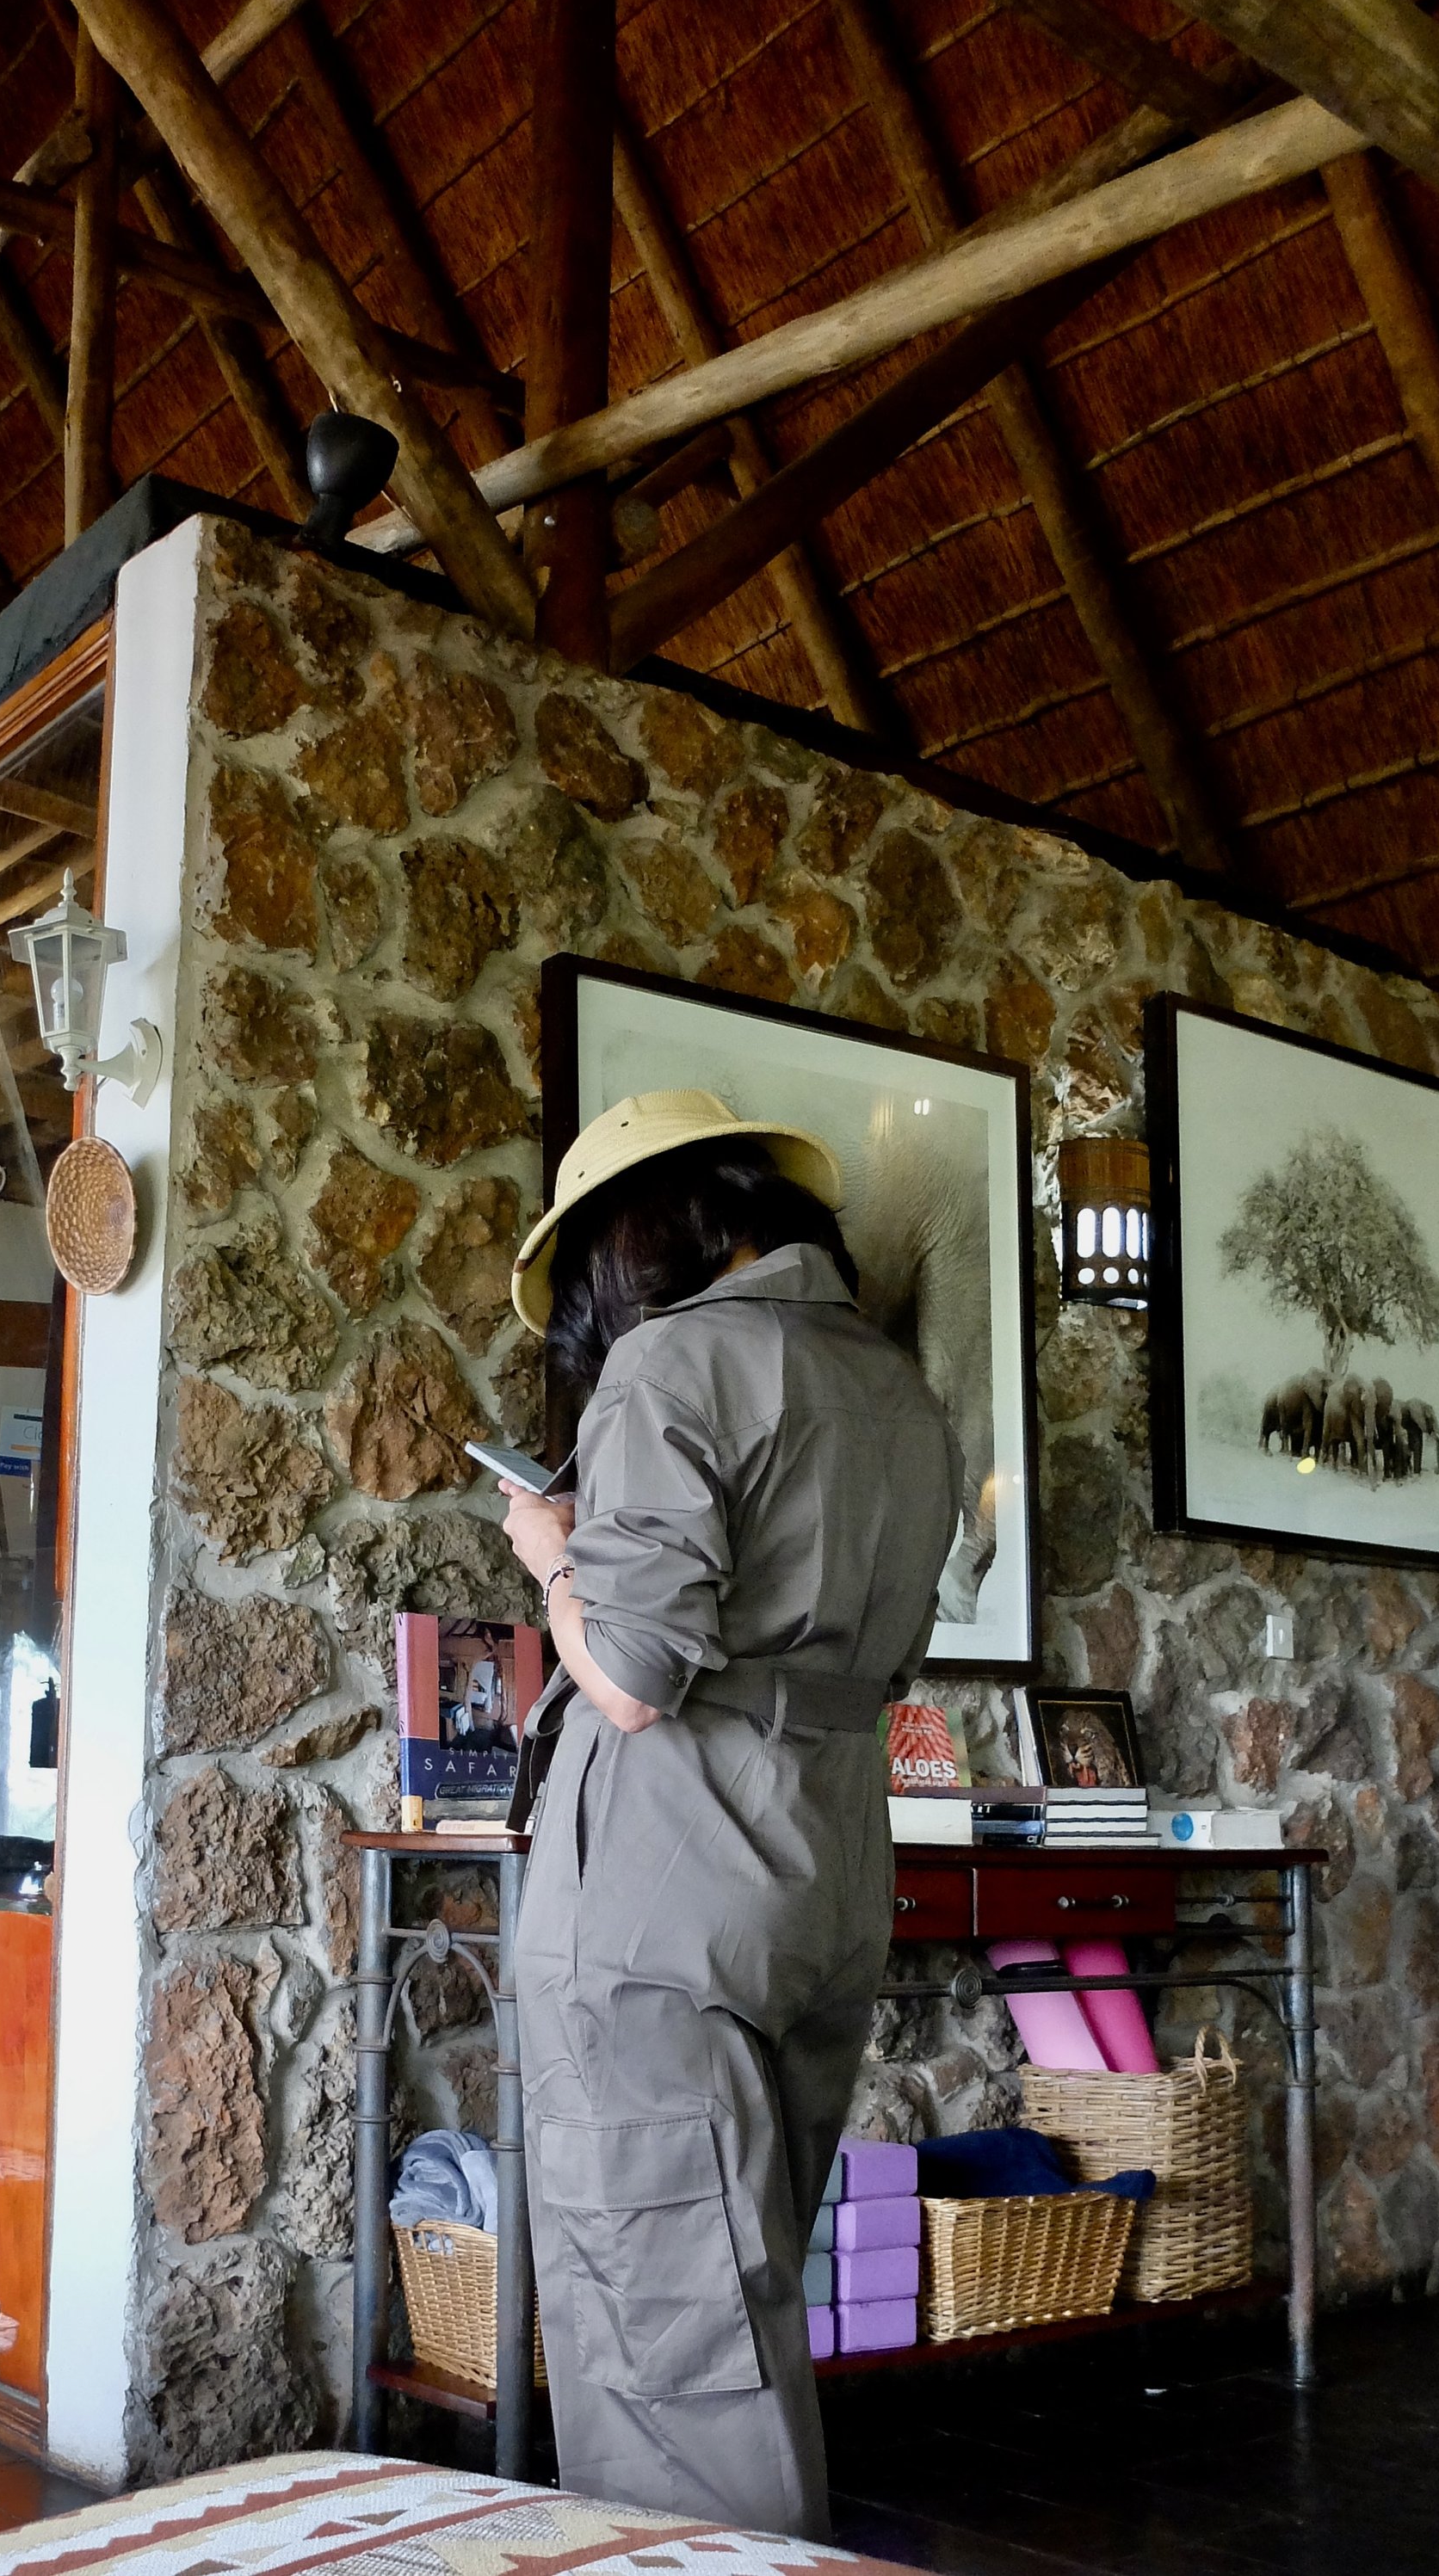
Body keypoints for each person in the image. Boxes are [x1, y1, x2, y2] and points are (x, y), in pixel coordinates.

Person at [495, 1088, 964, 2540]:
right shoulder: (895, 1387)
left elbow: (631, 1676)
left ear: (643, 1231)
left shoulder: (669, 1361)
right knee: (740, 2303)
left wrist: (551, 1552)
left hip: (660, 1891)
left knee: (667, 2357)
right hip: (826, 1868)